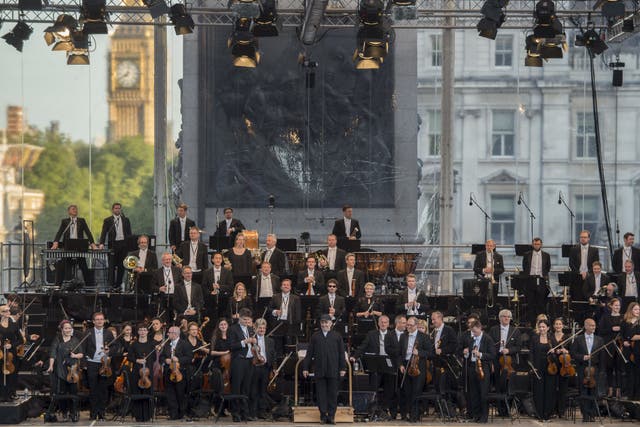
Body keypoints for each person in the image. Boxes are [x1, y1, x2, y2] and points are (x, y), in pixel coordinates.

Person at [302, 314, 346, 425]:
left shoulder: (337, 336)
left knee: (332, 394)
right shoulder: (315, 336)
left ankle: (331, 416)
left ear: (331, 324)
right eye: (322, 322)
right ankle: (323, 416)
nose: (324, 324)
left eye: (326, 322)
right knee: (321, 394)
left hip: (333, 370)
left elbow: (342, 353)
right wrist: (305, 368)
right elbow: (309, 353)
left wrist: (342, 368)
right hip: (320, 370)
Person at [351, 315, 398, 418]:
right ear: (378, 323)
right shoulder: (371, 334)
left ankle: (385, 409)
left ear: (388, 324)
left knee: (389, 388)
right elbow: (363, 346)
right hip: (376, 364)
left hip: (388, 365)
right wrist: (355, 356)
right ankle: (373, 409)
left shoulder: (392, 335)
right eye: (381, 322)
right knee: (373, 387)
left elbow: (396, 351)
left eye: (385, 322)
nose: (383, 324)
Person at [397, 316, 434, 422]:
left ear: (416, 326)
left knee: (416, 392)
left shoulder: (424, 337)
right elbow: (399, 354)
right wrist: (400, 365)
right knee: (408, 392)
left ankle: (415, 415)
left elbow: (431, 353)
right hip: (406, 365)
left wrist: (419, 353)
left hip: (418, 367)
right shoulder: (403, 337)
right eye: (407, 325)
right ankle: (410, 414)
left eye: (410, 325)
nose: (407, 327)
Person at [82, 311, 117, 421]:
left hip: (104, 364)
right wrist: (84, 363)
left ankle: (101, 413)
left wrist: (109, 350)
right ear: (93, 321)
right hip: (92, 363)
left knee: (103, 389)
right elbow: (82, 348)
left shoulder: (108, 333)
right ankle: (93, 413)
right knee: (93, 389)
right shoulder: (88, 332)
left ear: (104, 321)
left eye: (101, 319)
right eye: (97, 319)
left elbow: (116, 347)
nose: (99, 321)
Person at [51, 204, 97, 287]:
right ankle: (57, 286)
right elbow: (60, 232)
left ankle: (89, 286)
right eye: (73, 209)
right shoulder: (65, 221)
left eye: (76, 209)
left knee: (84, 267)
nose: (75, 210)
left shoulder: (81, 221)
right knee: (61, 266)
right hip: (68, 247)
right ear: (69, 212)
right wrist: (55, 242)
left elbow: (88, 233)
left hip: (79, 247)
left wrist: (92, 243)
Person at [47, 320, 83, 422]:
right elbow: (52, 354)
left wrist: (75, 355)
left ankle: (73, 412)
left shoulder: (75, 340)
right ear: (62, 329)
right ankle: (64, 413)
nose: (68, 330)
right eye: (66, 328)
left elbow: (81, 354)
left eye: (69, 328)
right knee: (61, 393)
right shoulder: (57, 339)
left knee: (73, 392)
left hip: (72, 369)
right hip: (60, 369)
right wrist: (51, 366)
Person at [570, 318, 603, 422]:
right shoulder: (578, 339)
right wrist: (582, 357)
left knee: (593, 391)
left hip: (595, 369)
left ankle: (592, 414)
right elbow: (573, 353)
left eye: (594, 325)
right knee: (583, 391)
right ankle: (585, 415)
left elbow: (602, 356)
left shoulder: (599, 339)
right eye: (591, 325)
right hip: (582, 368)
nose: (594, 327)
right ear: (586, 326)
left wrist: (602, 370)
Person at [462, 319, 495, 423]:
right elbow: (469, 355)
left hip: (483, 368)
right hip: (472, 367)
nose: (474, 334)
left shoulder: (488, 339)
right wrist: (466, 353)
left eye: (475, 331)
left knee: (483, 393)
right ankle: (476, 415)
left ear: (480, 328)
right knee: (474, 393)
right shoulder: (471, 339)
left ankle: (484, 417)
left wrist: (480, 354)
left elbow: (492, 355)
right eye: (472, 331)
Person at [488, 309, 521, 409]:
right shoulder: (493, 330)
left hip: (510, 362)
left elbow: (518, 347)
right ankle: (500, 409)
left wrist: (509, 350)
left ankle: (508, 409)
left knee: (509, 386)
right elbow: (490, 345)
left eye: (508, 317)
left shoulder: (515, 331)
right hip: (497, 361)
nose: (506, 318)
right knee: (498, 385)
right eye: (504, 316)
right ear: (499, 318)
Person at [228, 308, 256, 422]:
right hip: (238, 361)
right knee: (236, 387)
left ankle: (245, 413)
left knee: (246, 387)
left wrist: (255, 345)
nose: (246, 322)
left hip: (249, 361)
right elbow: (231, 346)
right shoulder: (233, 329)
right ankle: (235, 413)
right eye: (244, 319)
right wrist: (244, 342)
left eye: (248, 320)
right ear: (239, 317)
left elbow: (253, 344)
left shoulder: (250, 329)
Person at [98, 202, 133, 290]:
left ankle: (118, 285)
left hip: (123, 245)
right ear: (113, 210)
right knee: (112, 266)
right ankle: (111, 285)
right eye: (116, 208)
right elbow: (104, 233)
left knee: (122, 266)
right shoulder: (108, 220)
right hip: (113, 245)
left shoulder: (126, 220)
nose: (118, 210)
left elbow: (129, 233)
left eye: (119, 208)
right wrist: (101, 243)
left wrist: (130, 244)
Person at [127, 322, 156, 422]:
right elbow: (129, 357)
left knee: (148, 392)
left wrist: (156, 351)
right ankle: (138, 415)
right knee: (137, 392)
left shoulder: (152, 344)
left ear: (147, 332)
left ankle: (147, 416)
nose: (143, 332)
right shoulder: (134, 344)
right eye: (141, 330)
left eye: (144, 330)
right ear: (138, 332)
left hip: (148, 372)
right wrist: (137, 360)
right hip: (136, 372)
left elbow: (154, 358)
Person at [162, 325, 191, 420]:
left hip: (180, 373)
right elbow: (162, 356)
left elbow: (189, 358)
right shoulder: (166, 344)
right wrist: (165, 360)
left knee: (180, 393)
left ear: (175, 334)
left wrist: (178, 359)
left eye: (169, 333)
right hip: (168, 372)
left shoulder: (185, 344)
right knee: (170, 394)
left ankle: (181, 413)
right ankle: (173, 414)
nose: (168, 334)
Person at [249, 318, 276, 420]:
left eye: (264, 328)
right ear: (255, 328)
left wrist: (274, 368)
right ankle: (253, 412)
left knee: (263, 391)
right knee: (254, 390)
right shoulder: (251, 340)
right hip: (255, 367)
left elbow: (273, 355)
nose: (262, 330)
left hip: (266, 367)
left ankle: (262, 412)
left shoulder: (270, 341)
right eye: (260, 328)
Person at [597, 298, 624, 398]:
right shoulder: (605, 317)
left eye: (619, 305)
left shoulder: (623, 317)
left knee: (619, 369)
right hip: (609, 346)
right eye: (615, 305)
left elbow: (626, 331)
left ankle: (619, 390)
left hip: (620, 346)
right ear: (611, 306)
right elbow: (600, 331)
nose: (617, 307)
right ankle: (610, 390)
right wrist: (611, 329)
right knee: (609, 368)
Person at [530, 319, 556, 421]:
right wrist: (532, 365)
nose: (541, 329)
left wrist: (553, 352)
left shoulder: (552, 339)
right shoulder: (534, 338)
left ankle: (547, 414)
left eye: (543, 327)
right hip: (538, 366)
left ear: (548, 328)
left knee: (549, 391)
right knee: (538, 391)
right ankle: (539, 414)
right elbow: (531, 352)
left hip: (550, 367)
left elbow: (555, 357)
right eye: (540, 327)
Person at [269, 278, 302, 356]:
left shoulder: (296, 298)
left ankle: (288, 364)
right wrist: (275, 312)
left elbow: (298, 314)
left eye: (288, 285)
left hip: (290, 325)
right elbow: (269, 309)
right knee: (278, 347)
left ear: (290, 287)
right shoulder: (275, 297)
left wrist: (296, 326)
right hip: (278, 324)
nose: (286, 286)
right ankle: (278, 363)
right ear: (281, 287)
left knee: (289, 347)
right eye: (284, 285)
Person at [522, 237, 551, 322]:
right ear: (532, 244)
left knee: (541, 303)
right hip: (530, 280)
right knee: (531, 303)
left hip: (541, 280)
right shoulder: (527, 254)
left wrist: (544, 275)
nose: (537, 245)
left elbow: (548, 267)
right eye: (535, 244)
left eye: (538, 244)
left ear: (541, 244)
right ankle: (531, 322)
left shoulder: (546, 255)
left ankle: (541, 322)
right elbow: (524, 267)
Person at [430, 311, 458, 400]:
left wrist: (443, 350)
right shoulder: (433, 331)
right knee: (438, 386)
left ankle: (448, 408)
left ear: (440, 318)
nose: (432, 322)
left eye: (434, 319)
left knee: (446, 387)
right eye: (432, 320)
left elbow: (455, 345)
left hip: (446, 363)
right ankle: (440, 408)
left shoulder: (449, 330)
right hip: (436, 363)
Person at [550, 317, 570, 418]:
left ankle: (561, 411)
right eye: (556, 324)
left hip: (564, 365)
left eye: (560, 324)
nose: (558, 326)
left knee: (563, 389)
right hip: (553, 364)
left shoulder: (567, 337)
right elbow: (548, 349)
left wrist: (565, 351)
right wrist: (552, 351)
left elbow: (571, 350)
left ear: (563, 326)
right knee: (553, 388)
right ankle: (553, 410)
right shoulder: (550, 337)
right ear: (553, 326)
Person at [621, 302, 640, 400]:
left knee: (638, 374)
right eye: (636, 309)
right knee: (630, 374)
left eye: (639, 309)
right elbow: (623, 335)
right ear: (631, 310)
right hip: (629, 351)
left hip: (638, 350)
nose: (638, 311)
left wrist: (632, 337)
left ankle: (637, 395)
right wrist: (624, 341)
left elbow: (633, 336)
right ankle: (630, 395)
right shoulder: (625, 322)